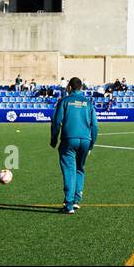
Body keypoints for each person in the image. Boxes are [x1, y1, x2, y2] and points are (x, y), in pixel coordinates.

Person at [50, 77, 99, 214]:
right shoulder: (88, 103)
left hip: (68, 139)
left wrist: (54, 140)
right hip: (85, 140)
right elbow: (95, 126)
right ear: (81, 88)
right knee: (79, 169)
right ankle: (76, 200)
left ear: (69, 87)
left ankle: (69, 204)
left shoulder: (64, 101)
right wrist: (91, 144)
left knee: (69, 170)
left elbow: (56, 122)